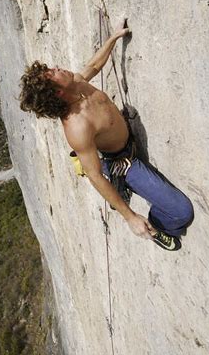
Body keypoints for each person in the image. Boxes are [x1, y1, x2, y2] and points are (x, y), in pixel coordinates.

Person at [19, 19, 194, 251]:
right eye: (53, 73)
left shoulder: (77, 85)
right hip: (122, 161)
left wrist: (113, 38)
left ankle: (123, 187)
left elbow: (93, 66)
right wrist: (130, 217)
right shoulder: (77, 127)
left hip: (126, 141)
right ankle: (158, 227)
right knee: (181, 212)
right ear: (58, 92)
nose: (57, 67)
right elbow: (94, 176)